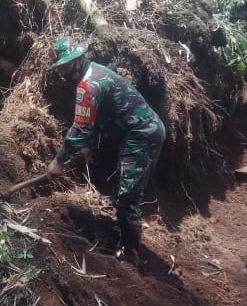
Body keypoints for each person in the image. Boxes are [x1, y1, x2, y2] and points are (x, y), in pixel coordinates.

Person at [46, 37, 166, 261]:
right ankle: (123, 232)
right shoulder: (95, 72)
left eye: (64, 66)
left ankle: (130, 253)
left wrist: (59, 161)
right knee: (121, 187)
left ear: (77, 59)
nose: (61, 72)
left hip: (142, 134)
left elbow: (80, 128)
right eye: (59, 67)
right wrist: (87, 147)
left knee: (127, 194)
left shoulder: (88, 85)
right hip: (136, 132)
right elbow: (95, 120)